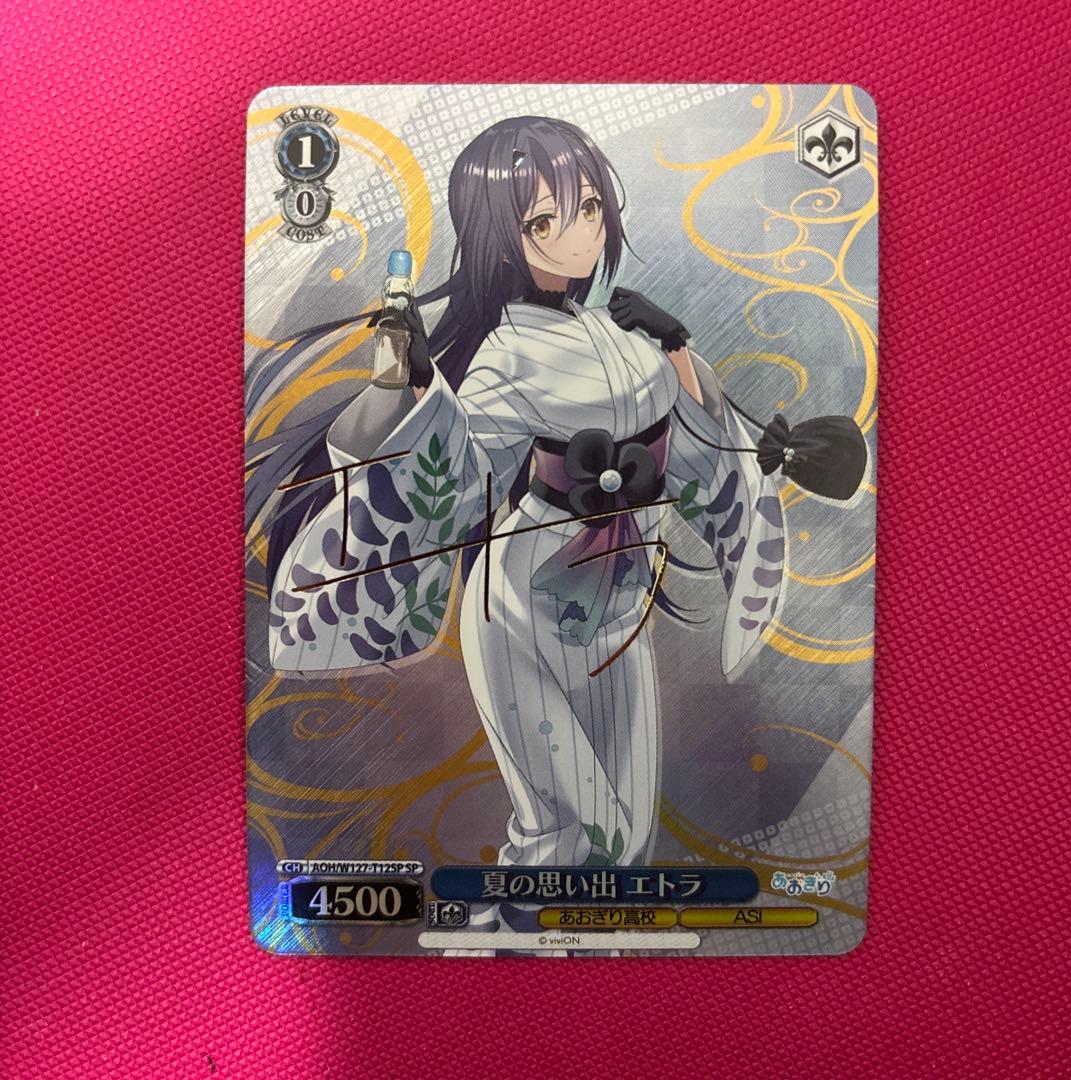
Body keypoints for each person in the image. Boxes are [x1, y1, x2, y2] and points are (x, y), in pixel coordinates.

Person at [248, 115, 785, 887]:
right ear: (503, 239)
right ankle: (510, 935)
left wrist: (673, 344)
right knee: (571, 822)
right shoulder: (502, 352)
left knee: (628, 824)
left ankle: (584, 941)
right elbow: (461, 476)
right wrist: (404, 388)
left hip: (620, 594)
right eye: (543, 221)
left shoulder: (625, 332)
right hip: (527, 596)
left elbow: (701, 445)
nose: (580, 232)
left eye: (590, 207)